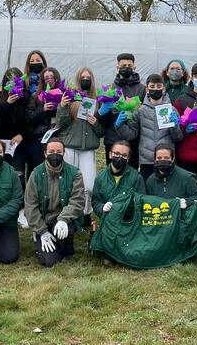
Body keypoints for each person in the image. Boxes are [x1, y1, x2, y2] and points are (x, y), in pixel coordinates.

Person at [24, 137, 86, 267]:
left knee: (66, 232)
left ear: (64, 152)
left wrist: (63, 219)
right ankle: (40, 237)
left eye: (59, 151)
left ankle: (67, 250)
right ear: (45, 153)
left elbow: (78, 201)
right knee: (50, 261)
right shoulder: (35, 174)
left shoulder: (75, 173)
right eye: (51, 151)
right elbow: (30, 206)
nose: (55, 154)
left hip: (64, 219)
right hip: (43, 221)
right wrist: (42, 230)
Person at [57, 67, 104, 230]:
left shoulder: (98, 100)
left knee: (89, 185)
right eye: (83, 77)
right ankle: (69, 216)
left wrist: (96, 123)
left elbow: (102, 131)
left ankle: (85, 213)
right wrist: (63, 107)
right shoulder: (71, 97)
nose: (85, 79)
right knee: (69, 184)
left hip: (88, 149)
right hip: (70, 147)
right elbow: (60, 124)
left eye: (88, 77)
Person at [116, 73, 183, 181]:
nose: (155, 90)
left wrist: (175, 125)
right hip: (146, 160)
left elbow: (178, 137)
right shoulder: (140, 110)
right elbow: (132, 134)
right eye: (152, 87)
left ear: (164, 89)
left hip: (166, 159)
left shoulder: (172, 110)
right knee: (147, 191)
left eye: (158, 87)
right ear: (147, 90)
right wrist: (120, 126)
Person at [99, 52, 146, 168]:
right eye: (123, 65)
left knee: (131, 172)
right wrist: (102, 112)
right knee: (113, 172)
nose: (126, 68)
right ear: (117, 67)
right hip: (112, 139)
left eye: (129, 66)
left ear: (134, 68)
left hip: (133, 140)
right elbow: (102, 119)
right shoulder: (110, 89)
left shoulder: (142, 89)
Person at [92, 140, 146, 224]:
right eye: (116, 153)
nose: (120, 157)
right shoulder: (100, 177)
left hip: (128, 223)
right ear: (110, 154)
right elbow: (95, 202)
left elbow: (141, 203)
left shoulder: (136, 178)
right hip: (107, 221)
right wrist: (102, 208)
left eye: (124, 155)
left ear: (128, 158)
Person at [0, 67, 26, 176]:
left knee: (17, 176)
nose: (13, 84)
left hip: (17, 144)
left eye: (15, 81)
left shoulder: (25, 98)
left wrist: (21, 135)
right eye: (9, 81)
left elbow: (28, 121)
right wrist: (7, 104)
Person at [16, 50, 47, 180]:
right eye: (32, 61)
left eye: (38, 60)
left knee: (42, 172)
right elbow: (23, 114)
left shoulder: (48, 82)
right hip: (27, 134)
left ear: (44, 62)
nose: (35, 63)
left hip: (45, 134)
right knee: (30, 173)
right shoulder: (24, 84)